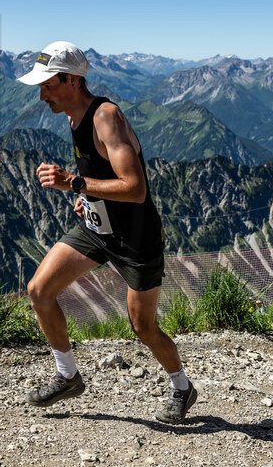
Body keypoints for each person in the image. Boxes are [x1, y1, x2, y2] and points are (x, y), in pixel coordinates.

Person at [16, 41, 197, 424]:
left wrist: (74, 184)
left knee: (143, 327)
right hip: (98, 227)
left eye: (47, 84)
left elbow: (135, 187)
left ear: (70, 79)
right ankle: (68, 376)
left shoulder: (105, 116)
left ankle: (182, 387)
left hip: (136, 237)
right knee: (38, 291)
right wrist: (86, 195)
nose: (41, 94)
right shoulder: (71, 115)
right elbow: (101, 171)